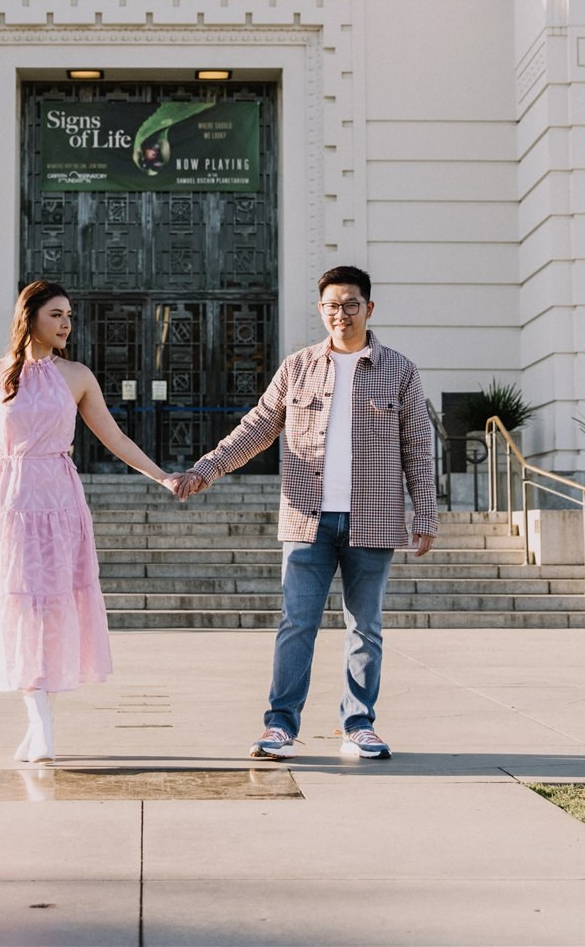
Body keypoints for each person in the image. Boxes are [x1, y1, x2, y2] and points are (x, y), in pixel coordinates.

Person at [167, 265, 436, 760]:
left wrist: (425, 515)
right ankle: (280, 726)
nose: (341, 314)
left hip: (372, 519)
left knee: (366, 627)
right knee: (296, 624)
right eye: (332, 305)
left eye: (351, 304)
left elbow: (418, 445)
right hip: (307, 517)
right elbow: (257, 427)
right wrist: (208, 468)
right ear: (321, 310)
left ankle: (359, 724)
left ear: (369, 309)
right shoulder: (297, 368)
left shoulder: (400, 370)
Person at [0, 280, 175, 763]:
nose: (66, 323)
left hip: (59, 500)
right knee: (18, 607)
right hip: (8, 499)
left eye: (69, 315)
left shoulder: (76, 375)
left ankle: (40, 725)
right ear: (29, 315)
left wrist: (162, 477)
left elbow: (114, 437)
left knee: (48, 609)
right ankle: (40, 722)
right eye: (56, 314)